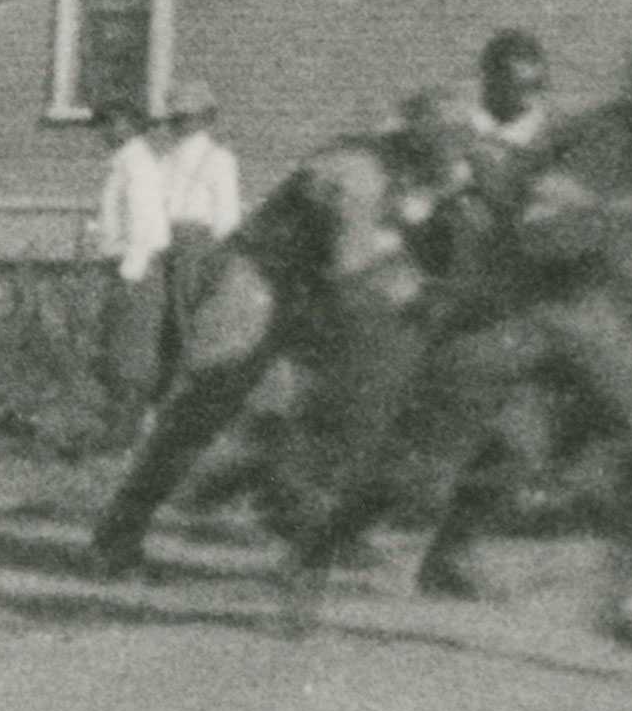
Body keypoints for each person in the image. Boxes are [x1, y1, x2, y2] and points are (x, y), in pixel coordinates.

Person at [88, 89, 474, 582]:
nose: (454, 159)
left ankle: (319, 519)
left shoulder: (409, 169)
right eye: (448, 145)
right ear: (421, 142)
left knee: (366, 390)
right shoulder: (360, 172)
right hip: (260, 281)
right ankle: (119, 530)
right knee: (208, 405)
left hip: (310, 285)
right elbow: (353, 276)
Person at [409, 41, 632, 632]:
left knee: (538, 444)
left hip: (578, 318)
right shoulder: (608, 141)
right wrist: (617, 219)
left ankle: (451, 558)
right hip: (553, 314)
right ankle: (627, 598)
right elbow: (544, 229)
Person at [89, 101, 172, 442]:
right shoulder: (123, 164)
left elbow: (143, 226)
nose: (104, 132)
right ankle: (122, 433)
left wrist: (129, 275)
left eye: (111, 123)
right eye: (102, 124)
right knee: (120, 350)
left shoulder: (137, 165)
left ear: (129, 125)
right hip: (125, 266)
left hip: (137, 268)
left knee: (131, 354)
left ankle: (127, 437)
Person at [154, 78, 242, 388]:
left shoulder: (219, 159)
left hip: (196, 245)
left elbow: (227, 216)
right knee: (163, 322)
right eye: (177, 116)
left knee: (190, 318)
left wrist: (220, 259)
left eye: (189, 116)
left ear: (206, 118)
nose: (182, 123)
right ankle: (169, 386)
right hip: (163, 244)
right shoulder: (165, 159)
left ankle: (194, 386)